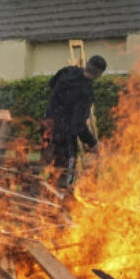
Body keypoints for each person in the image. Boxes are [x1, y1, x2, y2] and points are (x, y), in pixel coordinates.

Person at [44, 54, 107, 188]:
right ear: (99, 74)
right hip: (64, 134)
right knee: (65, 171)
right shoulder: (86, 92)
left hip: (47, 126)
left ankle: (47, 196)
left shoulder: (68, 71)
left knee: (51, 165)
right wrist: (93, 143)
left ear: (87, 64)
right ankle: (58, 199)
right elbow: (77, 125)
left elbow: (51, 84)